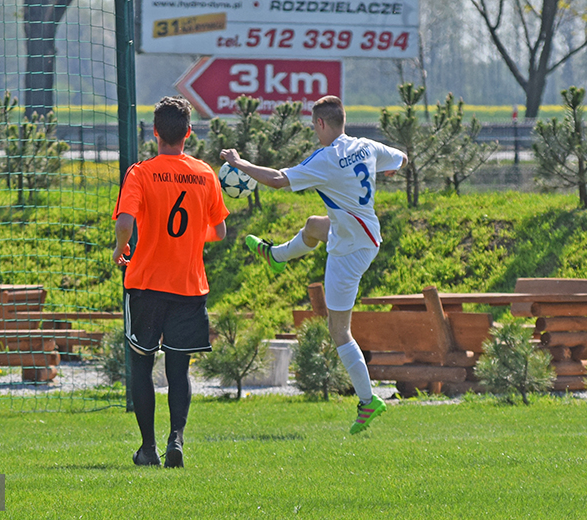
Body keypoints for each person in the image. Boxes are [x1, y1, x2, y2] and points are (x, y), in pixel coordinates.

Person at [220, 95, 407, 435]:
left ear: (322, 124)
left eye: (313, 126)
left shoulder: (327, 158)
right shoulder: (365, 145)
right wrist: (389, 166)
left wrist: (240, 163)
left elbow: (278, 179)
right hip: (360, 232)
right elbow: (402, 158)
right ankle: (276, 256)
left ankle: (368, 401)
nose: (313, 132)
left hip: (350, 252)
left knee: (340, 332)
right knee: (313, 226)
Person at [113, 96, 229, 467]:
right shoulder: (204, 173)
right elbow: (220, 230)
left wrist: (121, 247)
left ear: (155, 132)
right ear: (189, 133)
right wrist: (195, 234)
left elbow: (125, 221)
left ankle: (148, 449)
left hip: (146, 283)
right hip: (188, 285)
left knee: (142, 365)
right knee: (179, 369)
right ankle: (176, 440)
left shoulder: (141, 173)